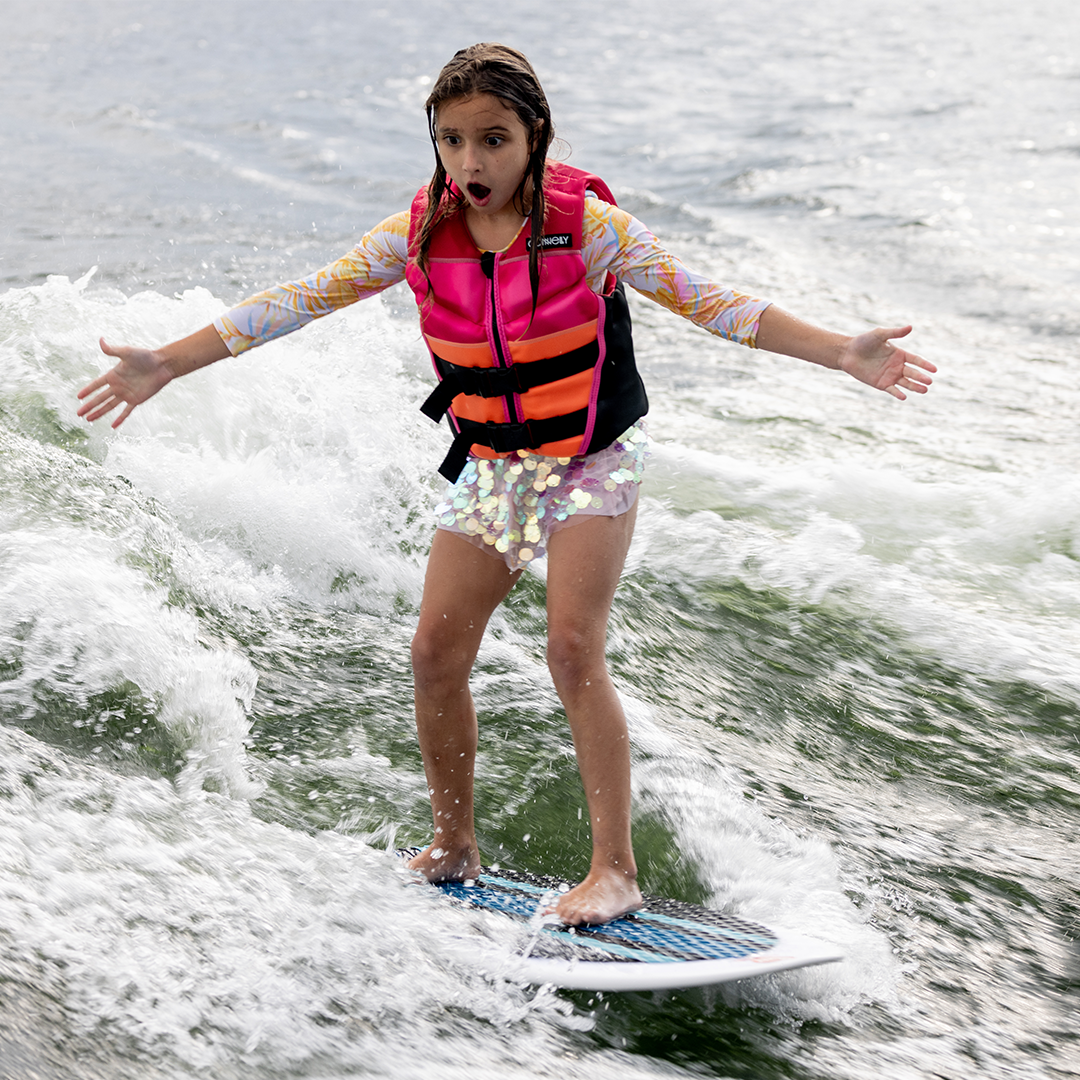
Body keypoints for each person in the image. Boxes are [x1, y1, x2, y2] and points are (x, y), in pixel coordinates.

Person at [76, 43, 935, 926]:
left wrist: (839, 350)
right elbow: (300, 299)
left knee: (571, 648)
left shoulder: (593, 230)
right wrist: (170, 363)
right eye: (451, 141)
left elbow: (714, 303)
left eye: (492, 139)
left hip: (591, 464)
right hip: (495, 467)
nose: (470, 162)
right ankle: (454, 844)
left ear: (535, 137)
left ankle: (615, 872)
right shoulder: (416, 234)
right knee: (433, 656)